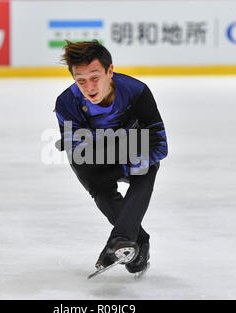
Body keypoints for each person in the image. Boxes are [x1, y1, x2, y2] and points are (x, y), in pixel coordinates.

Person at [54, 40, 168, 274]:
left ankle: (121, 239)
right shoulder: (67, 102)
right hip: (95, 160)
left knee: (147, 168)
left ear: (110, 71)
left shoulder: (137, 92)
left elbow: (160, 144)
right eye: (81, 80)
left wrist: (128, 162)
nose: (89, 87)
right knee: (99, 187)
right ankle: (138, 243)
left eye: (95, 77)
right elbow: (79, 153)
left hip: (132, 149)